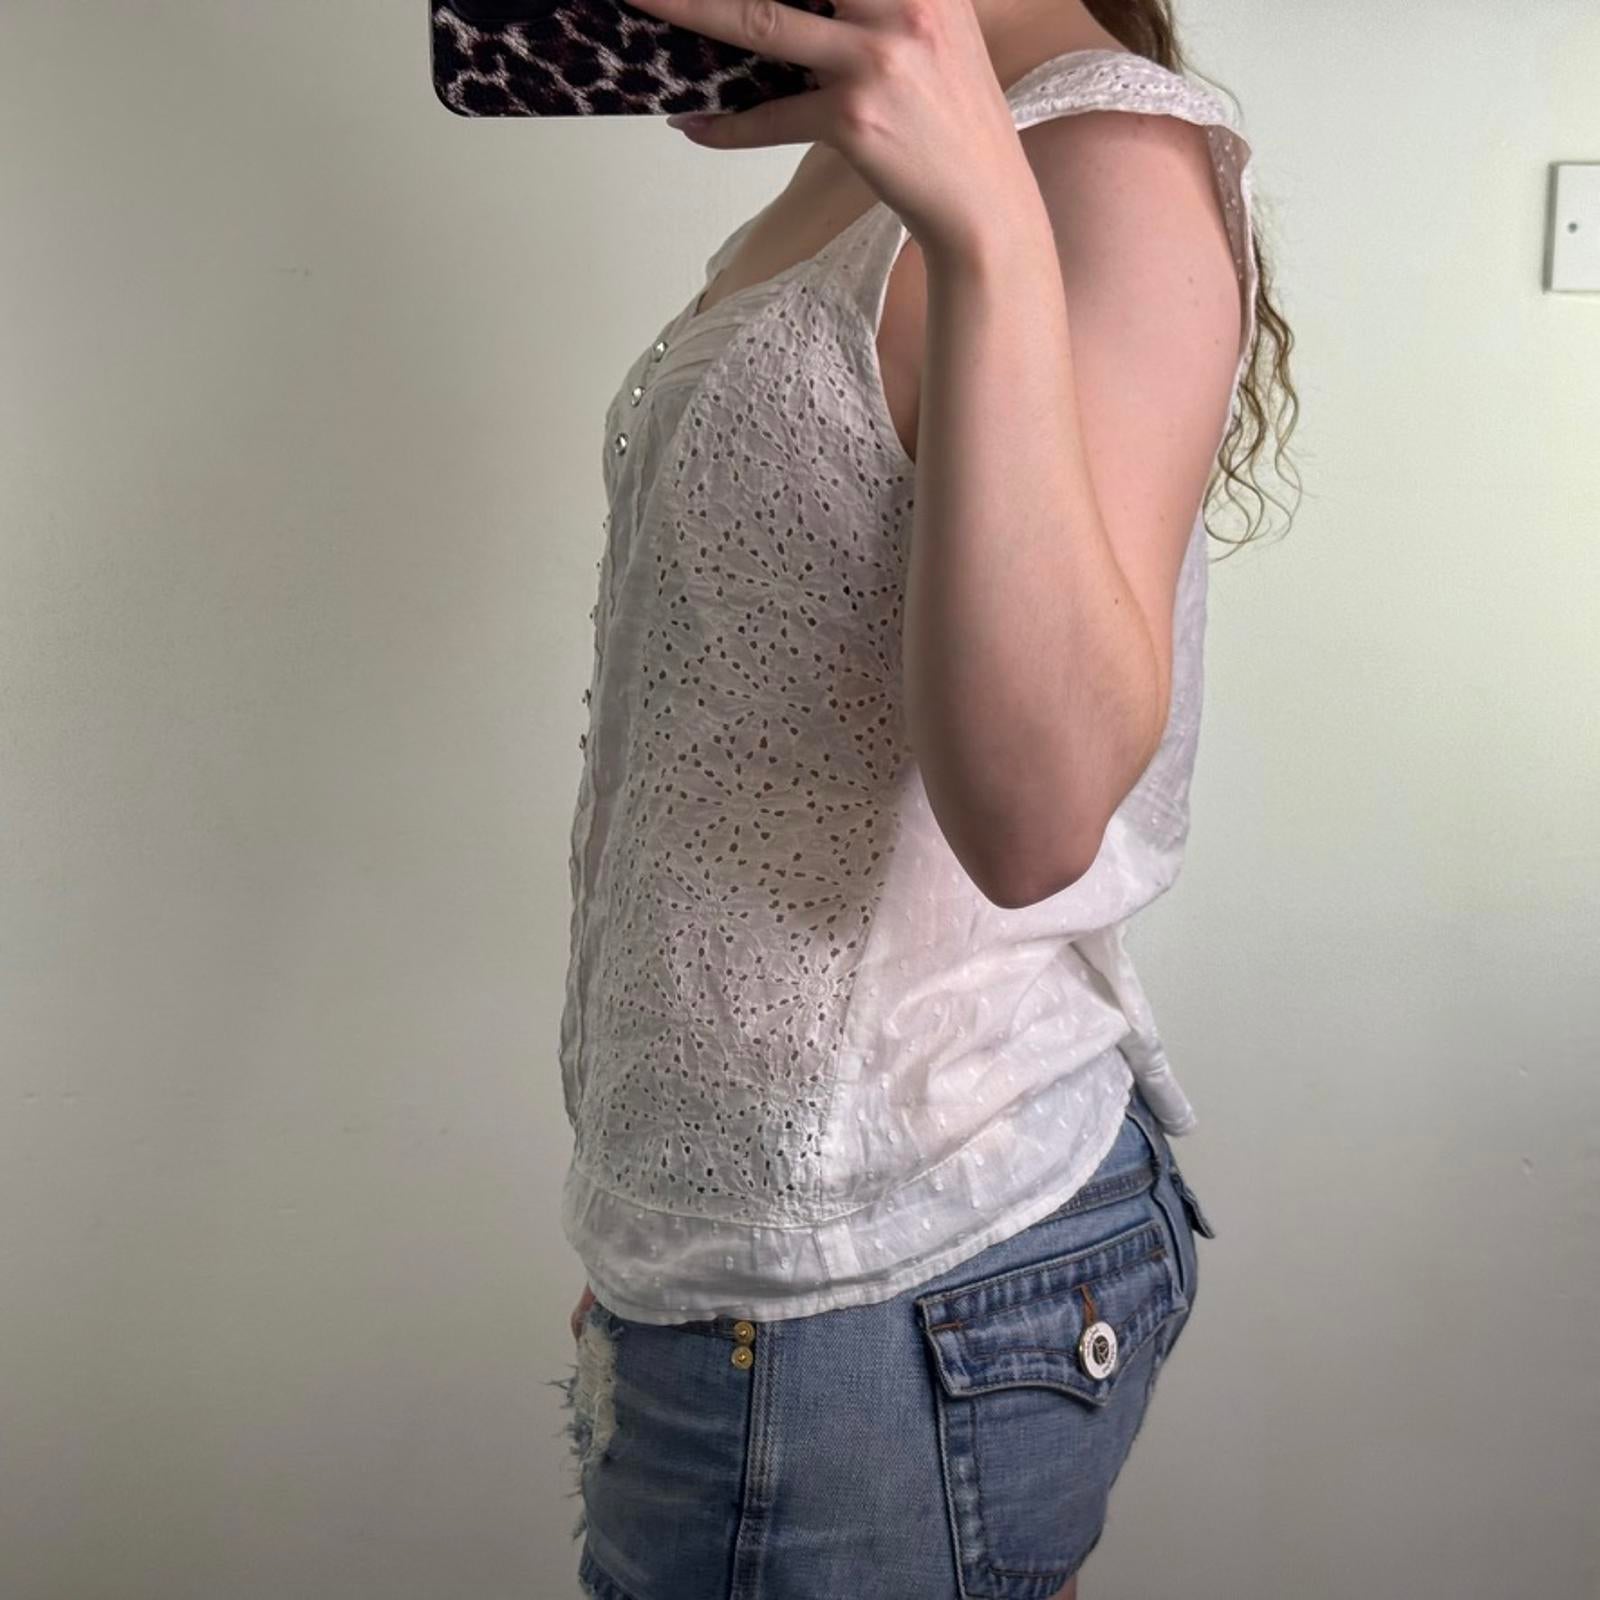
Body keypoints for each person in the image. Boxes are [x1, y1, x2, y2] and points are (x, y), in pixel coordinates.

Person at [551, 0, 1299, 1593]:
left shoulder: (1105, 154)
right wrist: (662, 1244)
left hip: (894, 1281)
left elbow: (1036, 820)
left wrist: (991, 234)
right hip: (759, 1284)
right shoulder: (864, 131)